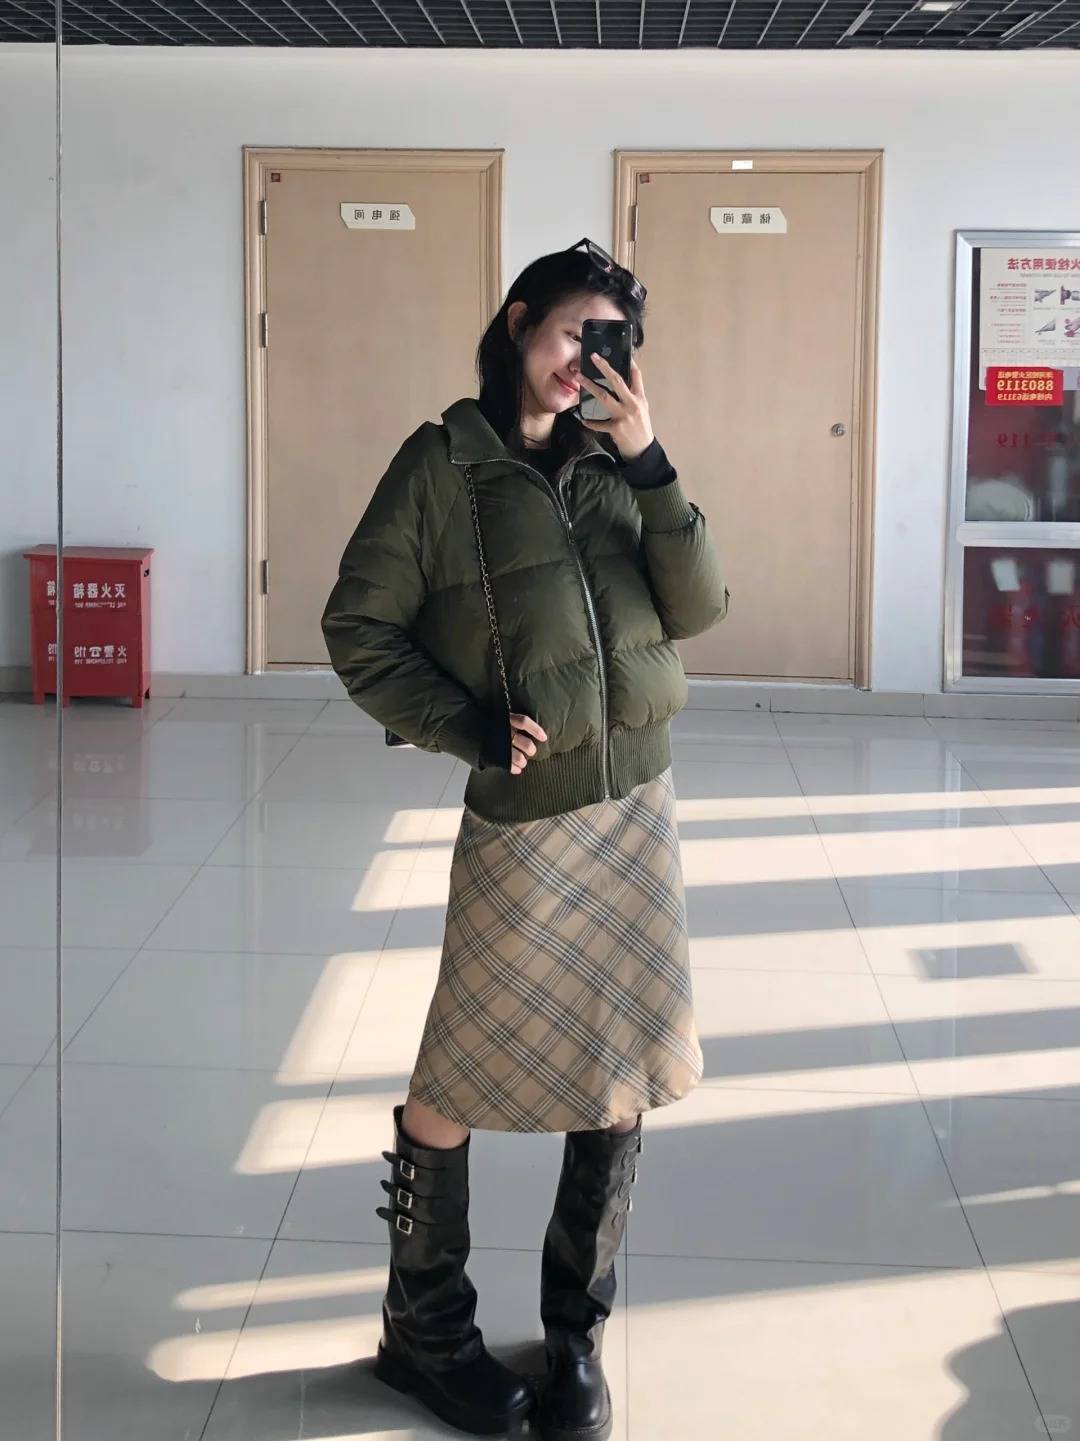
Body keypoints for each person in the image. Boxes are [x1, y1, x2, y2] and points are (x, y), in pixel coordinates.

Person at [322, 237, 730, 1440]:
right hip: (525, 819)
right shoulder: (442, 464)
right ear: (516, 323)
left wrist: (649, 458)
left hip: (636, 802)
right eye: (570, 333)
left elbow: (700, 605)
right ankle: (423, 1329)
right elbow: (358, 625)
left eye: (610, 344)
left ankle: (577, 1337)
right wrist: (464, 727)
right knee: (456, 1071)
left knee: (618, 1073)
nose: (584, 362)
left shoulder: (618, 464)